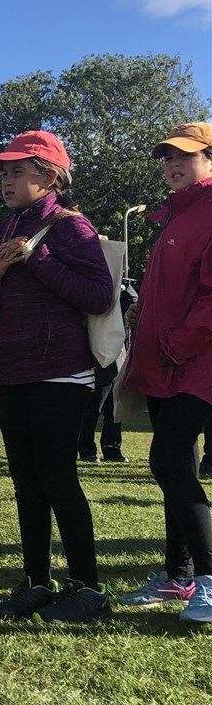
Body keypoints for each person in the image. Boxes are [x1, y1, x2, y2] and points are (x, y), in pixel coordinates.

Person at [0, 132, 114, 624]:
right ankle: (37, 582)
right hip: (12, 369)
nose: (6, 181)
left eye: (17, 171)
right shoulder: (3, 227)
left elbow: (99, 295)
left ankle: (88, 587)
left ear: (49, 176)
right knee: (25, 482)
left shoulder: (71, 228)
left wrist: (38, 259)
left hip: (61, 372)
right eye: (4, 173)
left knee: (58, 478)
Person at [117, 122, 212, 625]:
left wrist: (174, 342)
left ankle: (207, 577)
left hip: (195, 361)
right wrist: (144, 312)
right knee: (179, 464)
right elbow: (177, 289)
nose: (173, 163)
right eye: (167, 157)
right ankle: (179, 574)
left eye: (186, 155)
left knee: (170, 460)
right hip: (168, 361)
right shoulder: (175, 217)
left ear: (209, 159)